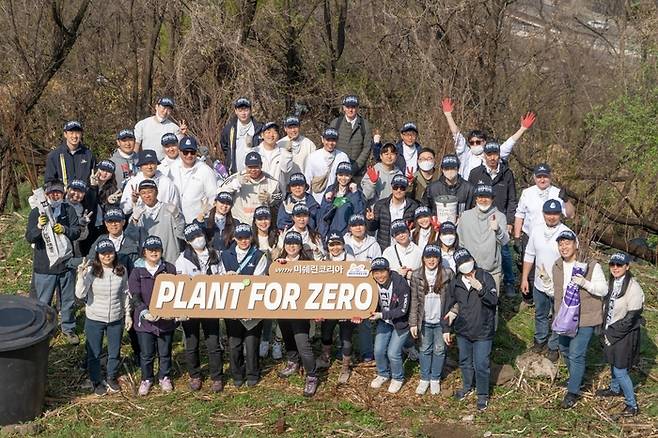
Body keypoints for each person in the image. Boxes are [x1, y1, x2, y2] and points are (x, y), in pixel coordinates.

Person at [551, 230, 608, 409]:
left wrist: (584, 283)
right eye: (561, 244)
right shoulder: (557, 265)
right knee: (564, 349)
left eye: (567, 243)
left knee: (576, 354)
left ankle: (573, 391)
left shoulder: (590, 265)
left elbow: (603, 290)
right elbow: (557, 292)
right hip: (564, 317)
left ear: (576, 245)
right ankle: (576, 377)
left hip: (585, 317)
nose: (564, 247)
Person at [26, 179, 81, 345]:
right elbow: (30, 237)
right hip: (45, 267)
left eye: (58, 192)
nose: (55, 195)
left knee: (67, 300)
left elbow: (76, 232)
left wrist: (64, 229)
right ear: (46, 194)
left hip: (65, 265)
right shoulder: (37, 212)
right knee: (43, 301)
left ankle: (68, 328)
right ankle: (44, 329)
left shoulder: (68, 210)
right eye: (51, 192)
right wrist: (38, 227)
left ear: (63, 194)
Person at [443, 248, 498, 411]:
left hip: (483, 330)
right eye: (461, 263)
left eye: (467, 260)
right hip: (463, 330)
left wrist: (481, 289)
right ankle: (467, 387)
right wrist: (446, 327)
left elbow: (494, 300)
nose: (465, 265)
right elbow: (449, 305)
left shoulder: (485, 277)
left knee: (481, 363)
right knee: (465, 361)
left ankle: (482, 395)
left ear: (473, 260)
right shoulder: (456, 282)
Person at [75, 239, 130, 396]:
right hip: (95, 318)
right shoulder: (92, 271)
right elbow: (80, 294)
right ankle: (96, 380)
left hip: (115, 317)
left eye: (110, 253)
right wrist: (81, 276)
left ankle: (111, 377)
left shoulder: (122, 270)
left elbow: (125, 293)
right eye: (103, 254)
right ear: (98, 255)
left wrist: (128, 315)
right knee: (94, 352)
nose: (107, 256)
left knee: (114, 351)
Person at [175, 223, 225, 392]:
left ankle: (217, 377)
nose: (198, 239)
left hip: (211, 305)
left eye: (199, 235)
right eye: (193, 238)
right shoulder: (182, 259)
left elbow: (222, 276)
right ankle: (195, 375)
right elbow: (180, 281)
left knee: (213, 342)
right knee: (192, 342)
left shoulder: (216, 254)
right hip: (191, 306)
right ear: (188, 242)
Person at [515, 163, 574, 306]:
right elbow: (519, 215)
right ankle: (528, 299)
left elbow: (571, 215)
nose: (542, 180)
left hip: (554, 235)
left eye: (545, 177)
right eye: (539, 177)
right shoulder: (527, 193)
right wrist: (517, 237)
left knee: (552, 267)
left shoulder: (557, 192)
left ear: (550, 177)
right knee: (528, 267)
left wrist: (566, 200)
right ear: (534, 177)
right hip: (531, 235)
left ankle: (551, 299)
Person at [520, 200, 572, 362]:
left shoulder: (567, 233)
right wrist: (524, 278)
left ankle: (553, 346)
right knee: (540, 313)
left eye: (555, 214)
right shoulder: (536, 230)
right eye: (548, 214)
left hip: (559, 284)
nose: (551, 217)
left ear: (560, 214)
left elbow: (572, 260)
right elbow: (529, 255)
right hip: (539, 282)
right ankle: (539, 340)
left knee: (558, 316)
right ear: (543, 214)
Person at [440, 97, 536, 180]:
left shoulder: (492, 155)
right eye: (471, 142)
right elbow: (457, 136)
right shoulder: (466, 155)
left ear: (484, 142)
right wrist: (448, 116)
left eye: (478, 142)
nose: (474, 145)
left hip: (487, 196)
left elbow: (508, 144)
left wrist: (522, 129)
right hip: (469, 195)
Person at [596, 252, 644, 418]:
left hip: (625, 333)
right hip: (610, 329)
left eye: (619, 265)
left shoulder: (634, 288)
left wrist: (612, 334)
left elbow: (631, 319)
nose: (615, 268)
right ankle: (614, 389)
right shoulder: (612, 282)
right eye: (612, 265)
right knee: (612, 360)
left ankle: (632, 405)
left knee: (620, 369)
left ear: (627, 266)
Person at [467, 141, 517, 296]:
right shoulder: (475, 173)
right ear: (484, 155)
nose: (492, 158)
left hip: (499, 218)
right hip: (479, 217)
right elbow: (470, 197)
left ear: (499, 155)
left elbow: (512, 199)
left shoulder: (507, 174)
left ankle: (509, 282)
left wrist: (509, 221)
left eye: (495, 154)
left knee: (505, 251)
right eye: (489, 154)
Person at [129, 236, 177, 396]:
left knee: (165, 352)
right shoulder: (137, 271)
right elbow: (134, 295)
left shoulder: (169, 268)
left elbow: (176, 291)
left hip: (165, 320)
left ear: (161, 251)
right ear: (144, 252)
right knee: (147, 353)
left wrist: (172, 312)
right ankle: (147, 378)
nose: (154, 253)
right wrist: (144, 312)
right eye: (150, 250)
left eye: (157, 249)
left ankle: (165, 376)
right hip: (145, 321)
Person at [274, 231, 320, 396]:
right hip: (282, 307)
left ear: (300, 246)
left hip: (301, 310)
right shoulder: (278, 262)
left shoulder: (307, 263)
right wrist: (277, 267)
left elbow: (316, 285)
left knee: (303, 343)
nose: (291, 246)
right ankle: (293, 361)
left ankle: (312, 375)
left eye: (295, 243)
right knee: (287, 337)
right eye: (288, 243)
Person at [221, 224, 267, 387]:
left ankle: (253, 372)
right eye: (240, 238)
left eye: (247, 237)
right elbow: (220, 279)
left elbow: (259, 280)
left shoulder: (259, 255)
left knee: (251, 341)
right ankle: (237, 374)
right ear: (234, 238)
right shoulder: (225, 255)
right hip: (232, 305)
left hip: (252, 305)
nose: (244, 241)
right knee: (234, 342)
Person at [409, 244, 454, 395]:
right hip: (425, 319)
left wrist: (450, 317)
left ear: (439, 259)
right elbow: (414, 300)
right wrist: (413, 322)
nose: (431, 260)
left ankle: (435, 378)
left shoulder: (448, 274)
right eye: (428, 257)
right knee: (424, 349)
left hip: (441, 320)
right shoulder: (417, 275)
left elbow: (454, 298)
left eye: (434, 257)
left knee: (440, 350)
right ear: (423, 259)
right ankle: (424, 378)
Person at [316, 232, 357, 384]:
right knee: (326, 332)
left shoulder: (351, 259)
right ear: (327, 246)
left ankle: (345, 366)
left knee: (346, 336)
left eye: (338, 244)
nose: (335, 248)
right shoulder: (324, 260)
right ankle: (325, 357)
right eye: (332, 245)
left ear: (343, 245)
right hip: (329, 303)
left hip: (346, 303)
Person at [368, 257, 411, 394]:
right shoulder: (371, 283)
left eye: (382, 272)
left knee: (393, 353)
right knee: (378, 350)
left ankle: (397, 377)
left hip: (401, 323)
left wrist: (382, 315)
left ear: (388, 270)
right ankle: (383, 374)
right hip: (384, 322)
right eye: (375, 273)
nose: (379, 276)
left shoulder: (400, 283)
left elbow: (403, 310)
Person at [457, 184, 509, 294]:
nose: (483, 200)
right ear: (476, 198)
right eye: (480, 196)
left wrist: (498, 230)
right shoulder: (465, 216)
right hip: (469, 271)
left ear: (492, 199)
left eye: (487, 197)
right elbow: (460, 243)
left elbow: (504, 241)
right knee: (471, 306)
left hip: (492, 271)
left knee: (491, 305)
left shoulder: (500, 217)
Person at [343, 213, 380, 365]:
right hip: (346, 287)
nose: (358, 228)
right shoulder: (343, 242)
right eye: (354, 225)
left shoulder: (373, 244)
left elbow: (378, 266)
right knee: (345, 320)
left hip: (366, 287)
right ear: (350, 228)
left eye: (361, 224)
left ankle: (367, 353)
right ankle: (345, 352)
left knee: (364, 321)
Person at [251, 206, 283, 360]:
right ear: (255, 221)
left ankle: (276, 342)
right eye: (260, 219)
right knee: (259, 314)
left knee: (274, 313)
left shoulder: (277, 236)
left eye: (266, 218)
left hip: (274, 279)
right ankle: (262, 341)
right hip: (256, 281)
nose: (263, 222)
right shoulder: (250, 238)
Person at [129, 179, 185, 264]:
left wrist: (177, 216)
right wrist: (134, 220)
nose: (147, 195)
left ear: (157, 192)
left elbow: (181, 233)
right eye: (143, 193)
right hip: (148, 265)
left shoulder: (170, 209)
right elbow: (131, 238)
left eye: (150, 192)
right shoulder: (138, 212)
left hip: (170, 261)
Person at [218, 151, 281, 225]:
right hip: (238, 222)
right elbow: (220, 192)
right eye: (250, 167)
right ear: (245, 166)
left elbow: (280, 197)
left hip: (260, 224)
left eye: (256, 167)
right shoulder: (236, 177)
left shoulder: (271, 181)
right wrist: (236, 183)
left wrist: (270, 198)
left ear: (261, 165)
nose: (253, 170)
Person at [169, 136, 218, 223]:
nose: (189, 155)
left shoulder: (206, 171)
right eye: (185, 152)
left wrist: (205, 213)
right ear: (179, 152)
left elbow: (213, 197)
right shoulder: (173, 168)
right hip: (175, 221)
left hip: (197, 222)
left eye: (192, 152)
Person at [366, 174, 418, 250]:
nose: (398, 190)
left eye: (402, 188)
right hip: (385, 247)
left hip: (406, 248)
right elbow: (372, 228)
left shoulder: (413, 206)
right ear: (392, 187)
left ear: (406, 189)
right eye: (396, 187)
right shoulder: (380, 204)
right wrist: (370, 221)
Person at [120, 150, 180, 215]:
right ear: (140, 166)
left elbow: (175, 207)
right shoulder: (133, 183)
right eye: (145, 164)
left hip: (163, 221)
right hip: (140, 222)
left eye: (152, 163)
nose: (149, 167)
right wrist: (133, 201)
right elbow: (124, 210)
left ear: (157, 164)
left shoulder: (166, 182)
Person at [317, 162, 366, 238]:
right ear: (336, 175)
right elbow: (323, 214)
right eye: (340, 175)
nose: (343, 178)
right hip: (331, 232)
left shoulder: (356, 191)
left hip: (348, 234)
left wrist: (355, 194)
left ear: (351, 176)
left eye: (347, 175)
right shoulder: (331, 189)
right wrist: (327, 201)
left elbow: (359, 212)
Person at [329, 95, 373, 177]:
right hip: (337, 171)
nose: (350, 109)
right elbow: (329, 145)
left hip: (358, 172)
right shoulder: (335, 123)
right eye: (348, 107)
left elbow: (367, 148)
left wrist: (355, 167)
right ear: (344, 108)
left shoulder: (365, 124)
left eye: (353, 107)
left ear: (357, 108)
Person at [422, 154, 474, 221]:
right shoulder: (432, 188)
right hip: (438, 226)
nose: (450, 171)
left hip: (462, 226)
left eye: (452, 168)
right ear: (442, 170)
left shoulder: (469, 188)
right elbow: (425, 208)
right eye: (446, 168)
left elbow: (473, 210)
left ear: (458, 169)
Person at [305, 127, 350, 204]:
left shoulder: (343, 156)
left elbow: (348, 179)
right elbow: (307, 180)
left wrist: (342, 201)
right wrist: (308, 202)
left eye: (333, 140)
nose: (330, 143)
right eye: (328, 140)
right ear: (322, 139)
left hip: (337, 200)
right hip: (317, 201)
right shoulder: (313, 157)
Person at [44, 121, 96, 185]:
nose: (74, 136)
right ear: (65, 134)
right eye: (71, 133)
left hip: (85, 193)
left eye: (77, 133)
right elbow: (49, 181)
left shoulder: (88, 155)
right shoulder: (54, 156)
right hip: (64, 194)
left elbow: (95, 177)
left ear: (81, 134)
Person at [220, 97, 263, 174]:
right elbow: (225, 147)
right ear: (236, 111)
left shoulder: (259, 128)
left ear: (250, 110)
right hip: (235, 173)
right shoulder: (229, 128)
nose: (243, 113)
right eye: (240, 110)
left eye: (246, 110)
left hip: (255, 173)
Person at [254, 122, 293, 193]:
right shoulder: (255, 152)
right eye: (268, 132)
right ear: (262, 135)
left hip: (277, 195)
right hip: (258, 194)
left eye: (274, 132)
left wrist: (288, 153)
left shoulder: (283, 152)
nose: (271, 135)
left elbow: (286, 169)